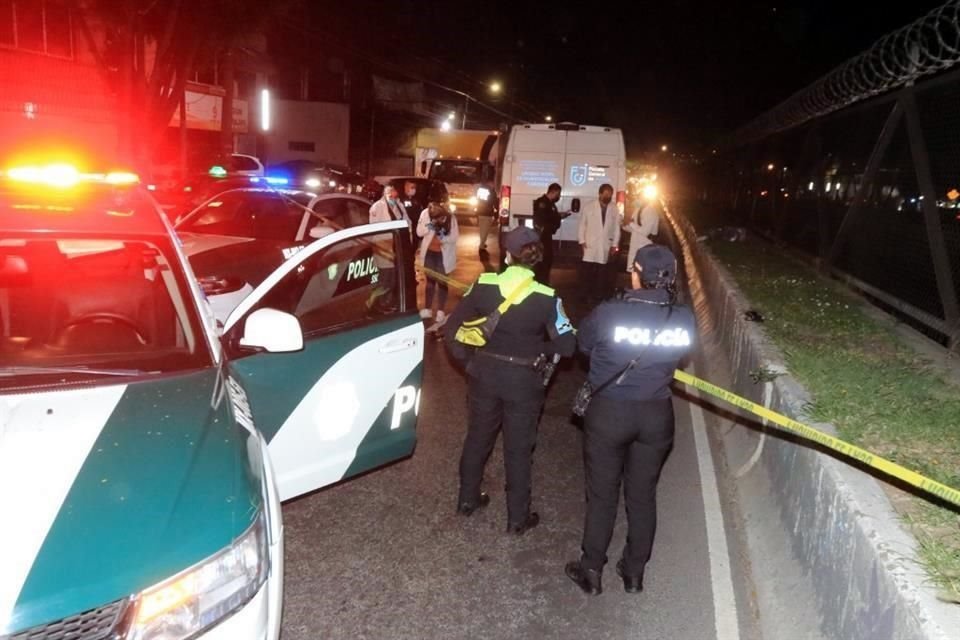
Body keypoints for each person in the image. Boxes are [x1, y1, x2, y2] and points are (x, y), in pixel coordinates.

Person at [565, 244, 696, 596]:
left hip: (610, 412)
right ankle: (634, 572)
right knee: (642, 495)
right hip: (656, 415)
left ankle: (591, 569)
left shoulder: (610, 313)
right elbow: (681, 354)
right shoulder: (682, 317)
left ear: (637, 273)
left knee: (602, 494)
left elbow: (585, 345)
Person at [444, 226, 577, 534]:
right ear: (536, 260)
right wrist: (536, 348)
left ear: (506, 255)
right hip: (524, 381)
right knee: (518, 449)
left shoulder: (484, 284)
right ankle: (517, 519)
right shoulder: (547, 298)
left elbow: (451, 330)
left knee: (478, 437)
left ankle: (467, 500)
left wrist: (468, 362)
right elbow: (567, 346)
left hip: (484, 375)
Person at [417, 202, 460, 330]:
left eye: (438, 217)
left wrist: (442, 237)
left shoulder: (450, 218)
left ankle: (441, 310)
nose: (436, 219)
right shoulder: (425, 214)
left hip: (444, 254)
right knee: (429, 282)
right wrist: (429, 227)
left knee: (442, 282)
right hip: (429, 253)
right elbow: (419, 232)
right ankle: (427, 309)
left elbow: (454, 237)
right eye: (433, 218)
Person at [578, 183, 621, 304]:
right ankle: (584, 295)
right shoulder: (589, 206)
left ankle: (598, 295)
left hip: (605, 245)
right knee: (587, 272)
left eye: (610, 194)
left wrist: (615, 244)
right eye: (606, 193)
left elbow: (616, 227)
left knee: (602, 272)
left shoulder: (614, 208)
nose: (608, 196)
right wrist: (582, 241)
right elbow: (582, 224)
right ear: (600, 193)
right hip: (590, 244)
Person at [532, 182, 564, 285]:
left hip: (547, 236)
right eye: (558, 194)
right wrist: (554, 221)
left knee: (548, 260)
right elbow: (542, 220)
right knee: (543, 261)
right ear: (553, 192)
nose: (558, 196)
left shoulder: (550, 204)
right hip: (542, 237)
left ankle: (544, 281)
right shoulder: (542, 203)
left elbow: (552, 217)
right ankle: (540, 282)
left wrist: (559, 216)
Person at [622, 195, 660, 275]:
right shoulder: (638, 210)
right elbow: (634, 230)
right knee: (634, 274)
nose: (635, 201)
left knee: (642, 275)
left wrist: (630, 223)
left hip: (644, 247)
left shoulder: (650, 212)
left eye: (637, 199)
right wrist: (624, 226)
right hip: (636, 247)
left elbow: (645, 232)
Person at [476, 182, 497, 254]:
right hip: (487, 213)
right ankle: (481, 245)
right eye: (493, 184)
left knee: (482, 229)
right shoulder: (491, 191)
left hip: (480, 212)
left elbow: (477, 199)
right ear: (490, 183)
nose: (494, 185)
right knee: (485, 230)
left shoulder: (480, 189)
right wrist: (496, 213)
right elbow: (494, 201)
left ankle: (482, 242)